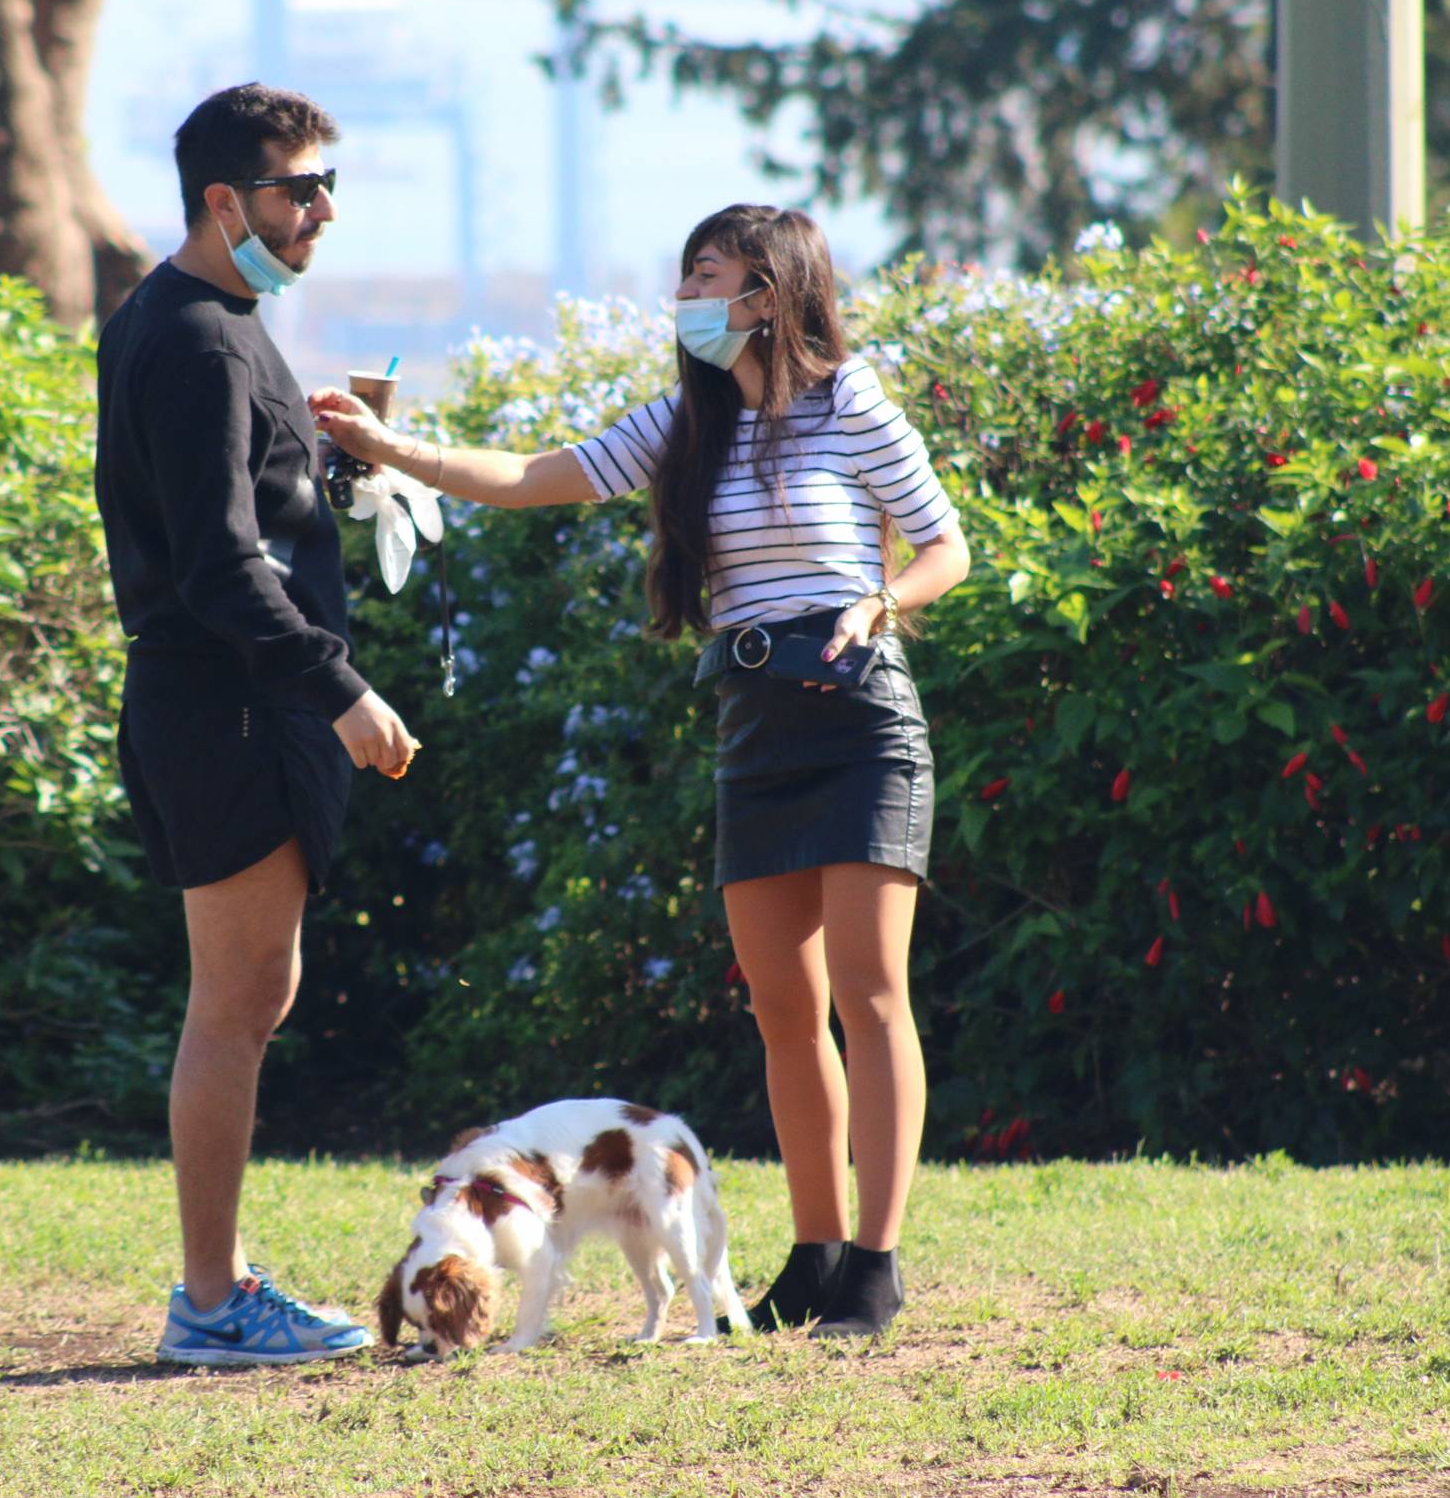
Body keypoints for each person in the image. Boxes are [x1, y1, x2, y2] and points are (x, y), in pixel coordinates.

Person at [311, 204, 970, 1338]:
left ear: (767, 294)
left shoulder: (849, 402)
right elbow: (528, 474)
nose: (686, 300)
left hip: (860, 717)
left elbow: (945, 544)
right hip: (754, 726)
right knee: (782, 1011)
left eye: (706, 277)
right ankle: (811, 1259)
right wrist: (389, 451)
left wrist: (880, 599)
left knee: (869, 996)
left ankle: (874, 1264)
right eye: (685, 279)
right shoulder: (687, 425)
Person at [96, 83, 422, 1365]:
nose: (322, 214)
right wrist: (341, 692)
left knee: (246, 997)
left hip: (217, 700)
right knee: (234, 1006)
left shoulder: (197, 319)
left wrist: (334, 464)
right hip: (227, 704)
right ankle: (212, 1303)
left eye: (330, 187)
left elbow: (240, 516)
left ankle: (218, 1288)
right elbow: (219, 570)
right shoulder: (199, 336)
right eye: (299, 191)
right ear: (224, 199)